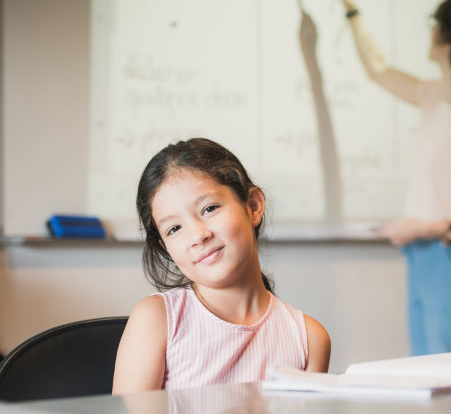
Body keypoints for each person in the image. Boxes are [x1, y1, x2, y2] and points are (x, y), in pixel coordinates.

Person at [340, 0, 451, 355]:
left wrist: (429, 228)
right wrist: (351, 10)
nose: (430, 31)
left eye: (434, 23)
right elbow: (378, 70)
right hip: (424, 257)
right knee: (429, 378)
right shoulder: (434, 96)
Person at [112, 138, 331, 394]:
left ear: (253, 206)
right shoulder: (157, 319)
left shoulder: (309, 338)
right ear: (165, 247)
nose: (198, 235)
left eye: (209, 209)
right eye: (174, 228)